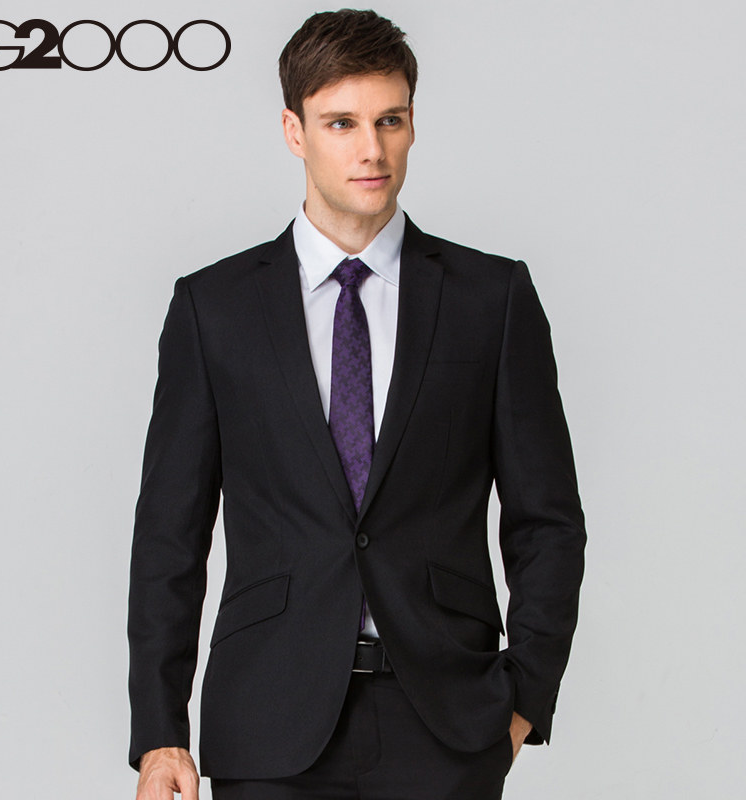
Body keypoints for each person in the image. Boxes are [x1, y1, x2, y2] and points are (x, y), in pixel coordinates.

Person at [128, 9, 586, 800]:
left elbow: (547, 520)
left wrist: (524, 700)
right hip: (268, 722)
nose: (371, 149)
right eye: (342, 123)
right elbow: (170, 533)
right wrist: (160, 731)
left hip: (447, 723)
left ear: (412, 125)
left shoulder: (491, 298)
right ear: (294, 131)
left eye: (390, 121)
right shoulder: (215, 309)